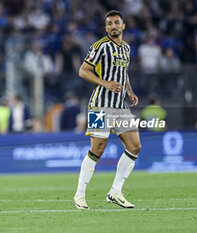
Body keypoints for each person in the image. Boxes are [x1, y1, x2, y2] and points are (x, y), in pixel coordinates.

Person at [74, 10, 141, 209]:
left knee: (135, 146)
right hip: (99, 105)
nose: (113, 25)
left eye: (116, 22)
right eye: (109, 23)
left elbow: (123, 72)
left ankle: (115, 192)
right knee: (97, 149)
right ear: (106, 28)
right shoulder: (101, 46)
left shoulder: (126, 48)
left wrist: (130, 91)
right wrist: (105, 83)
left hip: (120, 106)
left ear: (123, 26)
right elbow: (83, 71)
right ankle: (79, 195)